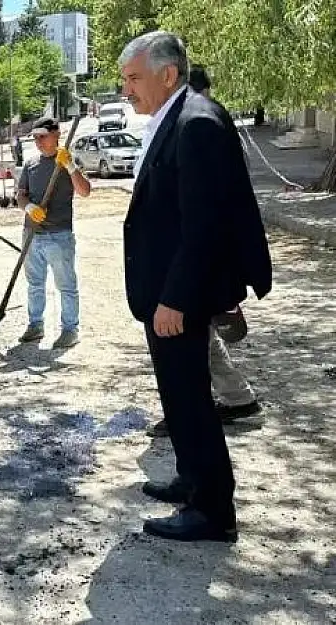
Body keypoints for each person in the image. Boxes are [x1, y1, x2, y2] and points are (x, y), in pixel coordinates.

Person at [119, 31, 272, 542]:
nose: (126, 91)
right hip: (164, 289)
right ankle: (192, 480)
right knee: (178, 395)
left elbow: (203, 225)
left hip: (177, 296)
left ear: (167, 74)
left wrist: (175, 298)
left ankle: (211, 511)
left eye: (134, 79)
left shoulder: (197, 122)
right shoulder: (176, 116)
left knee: (191, 398)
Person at [147, 64, 262, 437]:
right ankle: (223, 402)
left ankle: (221, 405)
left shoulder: (197, 125)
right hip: (199, 264)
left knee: (194, 345)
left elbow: (211, 214)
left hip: (200, 266)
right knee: (201, 343)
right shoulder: (202, 120)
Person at [16, 117, 92, 350]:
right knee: (35, 283)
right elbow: (21, 195)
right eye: (35, 137)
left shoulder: (68, 161)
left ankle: (70, 329)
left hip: (59, 235)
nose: (38, 141)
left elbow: (85, 191)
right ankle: (35, 325)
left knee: (66, 285)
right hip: (32, 234)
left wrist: (70, 167)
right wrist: (28, 207)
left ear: (57, 134)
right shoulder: (31, 164)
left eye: (43, 136)